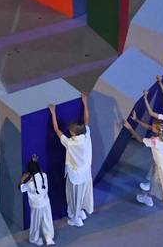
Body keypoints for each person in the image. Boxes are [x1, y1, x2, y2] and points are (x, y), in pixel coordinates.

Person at [50, 93, 93, 226]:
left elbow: (56, 130)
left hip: (75, 175)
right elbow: (86, 120)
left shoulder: (70, 143)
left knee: (73, 196)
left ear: (74, 133)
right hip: (86, 172)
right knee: (83, 194)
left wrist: (53, 113)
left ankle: (75, 218)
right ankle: (80, 212)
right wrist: (85, 103)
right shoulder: (86, 134)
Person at [19, 156, 54, 246]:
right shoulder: (44, 176)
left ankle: (35, 238)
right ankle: (49, 238)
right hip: (46, 203)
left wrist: (23, 178)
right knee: (47, 220)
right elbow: (40, 172)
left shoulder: (29, 183)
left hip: (36, 206)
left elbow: (21, 188)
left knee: (35, 223)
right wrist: (35, 163)